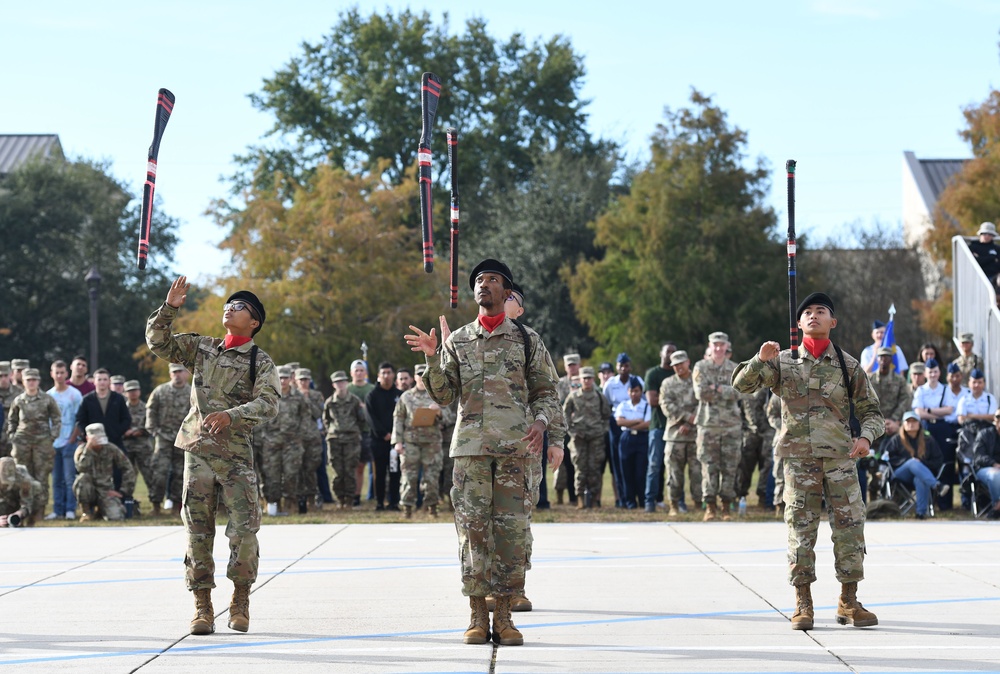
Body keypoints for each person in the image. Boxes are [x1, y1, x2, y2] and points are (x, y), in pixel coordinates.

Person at [405, 258, 563, 647]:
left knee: (511, 533)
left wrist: (542, 423)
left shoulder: (528, 340)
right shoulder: (457, 340)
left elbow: (547, 392)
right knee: (473, 532)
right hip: (471, 451)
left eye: (492, 279)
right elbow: (444, 395)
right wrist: (431, 356)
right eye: (478, 280)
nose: (483, 284)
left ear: (507, 293)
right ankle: (477, 613)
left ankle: (506, 616)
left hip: (515, 451)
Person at [733, 292, 883, 631]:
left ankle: (848, 600)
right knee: (800, 531)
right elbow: (741, 385)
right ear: (798, 323)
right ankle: (803, 602)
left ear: (833, 322)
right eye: (807, 313)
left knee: (850, 530)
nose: (813, 316)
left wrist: (865, 438)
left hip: (841, 461)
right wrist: (759, 360)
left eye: (821, 311)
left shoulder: (848, 365)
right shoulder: (782, 362)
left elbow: (872, 413)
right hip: (799, 463)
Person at [146, 276, 280, 635]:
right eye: (228, 304)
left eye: (239, 307)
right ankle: (202, 606)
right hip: (198, 452)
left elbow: (269, 404)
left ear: (254, 323)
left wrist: (232, 415)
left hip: (235, 457)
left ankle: (240, 601)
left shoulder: (259, 361)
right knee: (197, 531)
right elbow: (159, 343)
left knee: (244, 530)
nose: (229, 309)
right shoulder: (202, 348)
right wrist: (170, 307)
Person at [692, 332, 742, 521]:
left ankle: (726, 506)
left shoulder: (735, 368)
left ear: (726, 346)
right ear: (710, 346)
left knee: (730, 467)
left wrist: (716, 388)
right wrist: (725, 391)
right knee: (708, 466)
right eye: (715, 345)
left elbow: (742, 393)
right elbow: (700, 393)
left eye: (722, 345)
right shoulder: (701, 367)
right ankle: (710, 506)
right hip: (708, 425)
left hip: (731, 426)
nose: (718, 348)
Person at [7, 368, 60, 517]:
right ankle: (22, 509)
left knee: (41, 477)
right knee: (23, 475)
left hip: (42, 442)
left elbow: (56, 418)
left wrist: (52, 437)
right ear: (23, 382)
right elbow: (12, 420)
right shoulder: (18, 400)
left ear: (38, 381)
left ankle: (39, 511)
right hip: (22, 442)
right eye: (28, 380)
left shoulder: (47, 399)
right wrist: (12, 435)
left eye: (34, 380)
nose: (31, 383)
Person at [392, 364, 443, 518]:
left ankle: (432, 508)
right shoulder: (406, 396)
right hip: (411, 442)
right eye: (419, 374)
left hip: (431, 443)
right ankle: (407, 508)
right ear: (414, 377)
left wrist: (439, 411)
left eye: (425, 374)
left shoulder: (438, 395)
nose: (422, 378)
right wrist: (397, 441)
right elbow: (398, 419)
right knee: (409, 476)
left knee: (431, 477)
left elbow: (450, 419)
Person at [259, 366, 310, 516]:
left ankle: (290, 504)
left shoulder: (298, 396)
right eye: (280, 377)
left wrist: (300, 435)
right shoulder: (268, 396)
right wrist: (265, 436)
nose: (283, 381)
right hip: (272, 442)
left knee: (290, 474)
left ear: (291, 379)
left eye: (286, 377)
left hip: (292, 442)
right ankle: (274, 506)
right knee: (272, 475)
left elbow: (305, 417)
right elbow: (260, 417)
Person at [866, 346, 913, 500]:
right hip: (874, 427)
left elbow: (905, 400)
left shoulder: (899, 381)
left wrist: (894, 419)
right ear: (877, 359)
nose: (883, 360)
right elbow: (864, 401)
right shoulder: (870, 379)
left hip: (893, 426)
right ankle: (872, 499)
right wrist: (879, 420)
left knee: (893, 460)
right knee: (872, 463)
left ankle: (895, 498)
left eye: (886, 357)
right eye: (881, 357)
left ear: (891, 360)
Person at [659, 350, 702, 517]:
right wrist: (686, 418)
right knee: (674, 474)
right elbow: (666, 405)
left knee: (697, 473)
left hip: (695, 434)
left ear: (688, 362)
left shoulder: (698, 380)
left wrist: (691, 424)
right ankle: (674, 505)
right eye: (675, 365)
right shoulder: (667, 383)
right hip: (675, 435)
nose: (678, 367)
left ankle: (699, 504)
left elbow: (704, 402)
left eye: (681, 363)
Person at [146, 363, 192, 515]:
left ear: (186, 373)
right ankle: (156, 505)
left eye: (180, 372)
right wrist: (153, 429)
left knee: (180, 473)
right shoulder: (161, 391)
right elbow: (151, 409)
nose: (177, 375)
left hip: (184, 437)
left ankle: (175, 506)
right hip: (164, 437)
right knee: (160, 471)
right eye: (174, 372)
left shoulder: (192, 391)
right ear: (170, 374)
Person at [563, 366, 611, 508]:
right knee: (580, 468)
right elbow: (565, 415)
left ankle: (595, 499)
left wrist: (603, 430)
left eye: (589, 378)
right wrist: (571, 431)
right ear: (581, 379)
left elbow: (607, 416)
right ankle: (580, 499)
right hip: (579, 437)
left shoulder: (599, 396)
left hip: (596, 437)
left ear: (593, 379)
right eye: (584, 378)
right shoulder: (573, 396)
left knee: (594, 468)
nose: (587, 381)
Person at [881, 411, 945, 519]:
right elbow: (887, 459)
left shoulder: (928, 440)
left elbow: (938, 460)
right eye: (908, 421)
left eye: (914, 421)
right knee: (912, 462)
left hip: (923, 475)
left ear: (919, 424)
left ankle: (920, 513)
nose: (911, 424)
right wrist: (908, 461)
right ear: (903, 424)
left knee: (919, 478)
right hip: (900, 474)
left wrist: (922, 463)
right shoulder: (896, 439)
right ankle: (937, 485)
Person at [73, 422, 137, 521]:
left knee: (116, 517)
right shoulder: (81, 451)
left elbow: (127, 467)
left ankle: (101, 511)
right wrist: (88, 448)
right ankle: (86, 512)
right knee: (82, 479)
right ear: (87, 438)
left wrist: (123, 491)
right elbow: (81, 468)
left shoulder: (111, 449)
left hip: (106, 490)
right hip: (90, 489)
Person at [603, 353, 642, 507]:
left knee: (633, 461)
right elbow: (606, 404)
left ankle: (635, 497)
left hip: (635, 423)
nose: (624, 368)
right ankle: (622, 498)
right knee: (618, 462)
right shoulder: (611, 384)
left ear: (630, 367)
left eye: (626, 365)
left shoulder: (637, 381)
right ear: (617, 367)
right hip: (616, 423)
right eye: (621, 366)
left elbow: (642, 401)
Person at [324, 370, 366, 508]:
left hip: (351, 439)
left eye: (342, 381)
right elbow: (326, 420)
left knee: (350, 470)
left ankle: (349, 499)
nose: (340, 384)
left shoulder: (354, 401)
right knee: (337, 471)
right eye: (337, 382)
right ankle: (340, 498)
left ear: (347, 383)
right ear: (333, 385)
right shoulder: (330, 402)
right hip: (334, 439)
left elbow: (361, 419)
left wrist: (353, 430)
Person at [47, 360, 83, 520]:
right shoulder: (49, 396)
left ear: (66, 374)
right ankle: (57, 510)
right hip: (54, 442)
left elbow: (79, 419)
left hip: (70, 441)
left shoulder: (74, 394)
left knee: (70, 479)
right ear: (52, 374)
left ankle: (70, 509)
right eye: (57, 372)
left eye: (62, 372)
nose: (60, 375)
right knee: (56, 479)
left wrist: (72, 439)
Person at [643, 343, 676, 512]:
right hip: (658, 426)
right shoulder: (653, 374)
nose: (671, 354)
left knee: (674, 466)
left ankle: (674, 502)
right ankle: (649, 501)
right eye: (668, 351)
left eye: (673, 352)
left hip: (677, 428)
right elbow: (652, 401)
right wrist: (674, 399)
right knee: (654, 465)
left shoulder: (679, 373)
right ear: (661, 353)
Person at [366, 362, 402, 511]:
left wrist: (395, 435)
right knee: (379, 473)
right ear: (379, 376)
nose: (386, 376)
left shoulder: (399, 395)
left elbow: (402, 417)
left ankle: (394, 502)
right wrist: (383, 434)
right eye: (383, 373)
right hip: (378, 441)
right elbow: (370, 418)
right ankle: (379, 502)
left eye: (389, 373)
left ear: (393, 375)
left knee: (395, 472)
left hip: (395, 442)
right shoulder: (372, 395)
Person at [75, 368, 131, 456]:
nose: (102, 382)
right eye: (99, 379)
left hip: (115, 441)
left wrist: (117, 431)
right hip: (94, 443)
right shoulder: (87, 400)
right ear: (94, 381)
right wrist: (88, 435)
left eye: (105, 379)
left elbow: (126, 419)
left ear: (109, 381)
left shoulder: (118, 399)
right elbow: (80, 420)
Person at [615, 377, 651, 509]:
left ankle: (642, 500)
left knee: (641, 471)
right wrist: (637, 421)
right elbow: (619, 422)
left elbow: (647, 424)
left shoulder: (646, 405)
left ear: (641, 391)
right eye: (631, 391)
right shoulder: (623, 405)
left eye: (636, 391)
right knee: (626, 471)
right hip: (626, 439)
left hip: (642, 439)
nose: (633, 394)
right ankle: (629, 501)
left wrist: (629, 423)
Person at [736, 386, 774, 509]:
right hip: (749, 432)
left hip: (767, 431)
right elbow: (738, 409)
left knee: (767, 465)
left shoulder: (769, 384)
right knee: (745, 466)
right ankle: (741, 496)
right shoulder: (743, 384)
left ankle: (763, 498)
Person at [294, 368, 325, 513]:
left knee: (311, 468)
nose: (304, 383)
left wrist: (307, 400)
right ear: (296, 381)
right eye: (301, 380)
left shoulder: (317, 395)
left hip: (313, 437)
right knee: (298, 469)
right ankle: (300, 500)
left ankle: (312, 499)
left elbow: (319, 413)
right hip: (297, 437)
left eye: (306, 380)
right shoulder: (292, 395)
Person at [122, 380, 156, 513]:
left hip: (143, 447)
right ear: (125, 393)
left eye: (135, 390)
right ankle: (128, 505)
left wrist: (139, 431)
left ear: (139, 391)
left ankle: (156, 505)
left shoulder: (147, 408)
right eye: (130, 391)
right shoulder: (122, 409)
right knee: (128, 476)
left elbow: (151, 424)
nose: (133, 393)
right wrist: (126, 432)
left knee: (150, 475)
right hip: (127, 446)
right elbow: (118, 424)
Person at [553, 353, 581, 506]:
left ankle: (575, 496)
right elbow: (556, 403)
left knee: (576, 463)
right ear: (565, 367)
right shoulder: (560, 383)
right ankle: (559, 496)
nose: (572, 368)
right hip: (562, 428)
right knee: (561, 465)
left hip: (578, 428)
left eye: (574, 364)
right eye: (569, 365)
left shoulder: (585, 381)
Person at [347, 359, 375, 507]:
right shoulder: (347, 389)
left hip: (366, 432)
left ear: (365, 373)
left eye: (361, 370)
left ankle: (359, 496)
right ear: (351, 373)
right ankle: (349, 495)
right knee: (350, 465)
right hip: (350, 432)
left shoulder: (371, 388)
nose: (359, 373)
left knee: (361, 466)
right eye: (356, 370)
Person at [971, 408, 1000, 516]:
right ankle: (997, 505)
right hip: (986, 468)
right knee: (995, 475)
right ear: (994, 419)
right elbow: (978, 456)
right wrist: (994, 464)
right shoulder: (984, 434)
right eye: (998, 416)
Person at [0, 456, 43, 527]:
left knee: (37, 488)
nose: (7, 485)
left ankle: (30, 524)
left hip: (16, 497)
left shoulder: (24, 480)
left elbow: (27, 503)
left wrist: (20, 513)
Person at [0, 361, 25, 458]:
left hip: (13, 440)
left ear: (11, 375)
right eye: (0, 376)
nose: (3, 379)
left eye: (5, 376)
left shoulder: (19, 393)